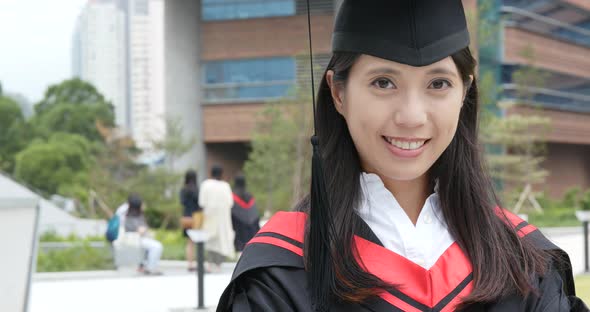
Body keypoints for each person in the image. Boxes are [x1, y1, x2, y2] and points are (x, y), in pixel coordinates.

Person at [217, 1, 588, 311]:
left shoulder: (525, 262)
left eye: (438, 83)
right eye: (383, 82)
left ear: (465, 92)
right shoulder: (282, 271)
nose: (411, 116)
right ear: (338, 93)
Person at [199, 165, 234, 273]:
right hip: (223, 220)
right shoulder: (226, 186)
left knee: (209, 241)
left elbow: (201, 202)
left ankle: (209, 264)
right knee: (221, 241)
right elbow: (230, 203)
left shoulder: (206, 184)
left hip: (209, 218)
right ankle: (218, 265)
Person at [124, 194, 163, 275]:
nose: (144, 205)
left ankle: (144, 266)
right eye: (142, 203)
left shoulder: (139, 216)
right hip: (134, 239)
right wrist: (144, 230)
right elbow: (139, 231)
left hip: (141, 239)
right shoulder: (130, 217)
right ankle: (151, 268)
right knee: (157, 246)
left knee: (153, 244)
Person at [231, 175, 260, 255]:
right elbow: (256, 216)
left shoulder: (233, 196)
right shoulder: (250, 196)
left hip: (239, 232)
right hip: (252, 232)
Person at [180, 169, 200, 271]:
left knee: (189, 242)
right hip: (196, 217)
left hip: (186, 217)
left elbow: (182, 202)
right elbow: (200, 204)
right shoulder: (197, 190)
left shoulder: (184, 190)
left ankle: (189, 263)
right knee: (197, 241)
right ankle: (196, 263)